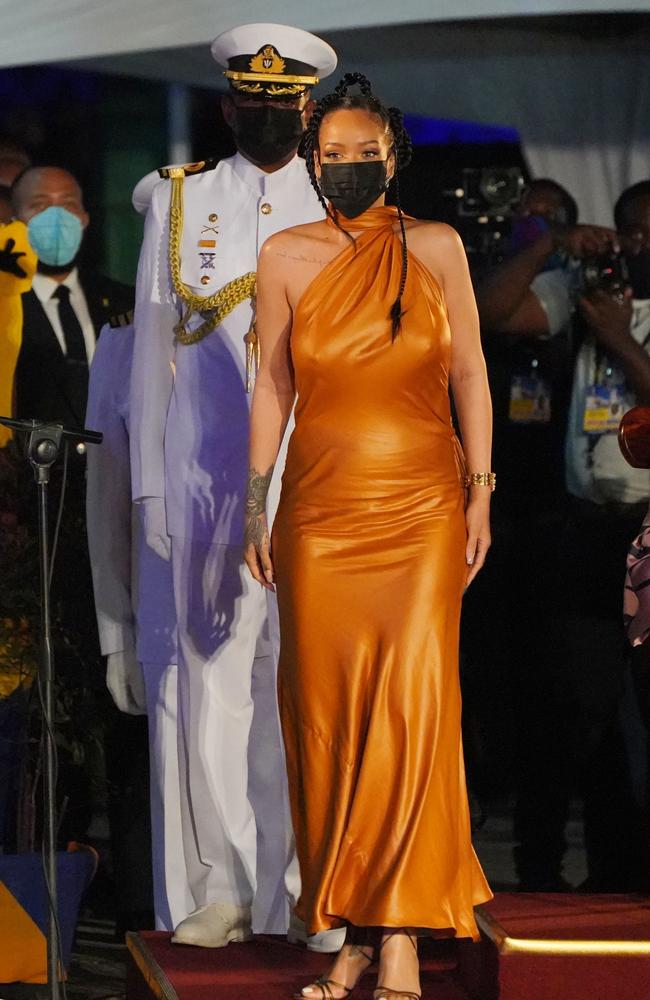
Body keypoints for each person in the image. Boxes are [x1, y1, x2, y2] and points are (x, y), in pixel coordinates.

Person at [244, 73, 493, 1000]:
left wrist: (480, 492)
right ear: (311, 160)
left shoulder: (436, 245)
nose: (345, 169)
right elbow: (272, 387)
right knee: (329, 717)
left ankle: (399, 936)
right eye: (330, 156)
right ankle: (351, 928)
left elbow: (469, 372)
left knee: (411, 711)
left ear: (394, 155)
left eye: (363, 155)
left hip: (422, 508)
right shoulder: (283, 255)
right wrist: (253, 502)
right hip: (317, 512)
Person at [129, 22, 343, 950]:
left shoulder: (347, 207)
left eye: (284, 104)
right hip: (207, 486)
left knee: (307, 692)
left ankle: (307, 888)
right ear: (229, 106)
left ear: (308, 108)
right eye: (251, 104)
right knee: (212, 688)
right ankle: (219, 885)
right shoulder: (180, 203)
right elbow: (148, 360)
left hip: (316, 486)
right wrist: (149, 492)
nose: (268, 118)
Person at [12, 165, 133, 429]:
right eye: (40, 205)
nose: (56, 217)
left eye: (68, 205)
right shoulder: (5, 304)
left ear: (85, 218)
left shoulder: (125, 301)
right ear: (14, 220)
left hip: (112, 465)